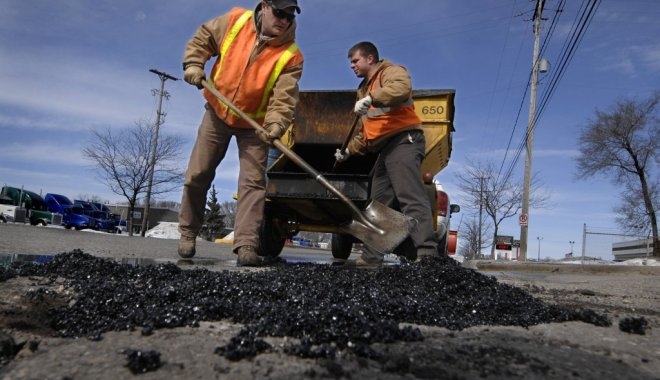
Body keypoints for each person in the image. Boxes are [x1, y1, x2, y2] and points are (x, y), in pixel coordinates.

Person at [177, 0, 304, 266]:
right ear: (265, 6)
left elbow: (283, 99)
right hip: (217, 112)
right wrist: (193, 63)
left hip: (254, 127)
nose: (284, 20)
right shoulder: (235, 20)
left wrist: (276, 125)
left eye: (289, 16)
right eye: (279, 13)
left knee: (253, 184)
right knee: (197, 174)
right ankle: (188, 232)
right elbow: (204, 38)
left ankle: (246, 244)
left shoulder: (291, 55)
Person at [335, 41, 437, 266]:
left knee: (410, 196)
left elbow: (400, 89)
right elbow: (367, 132)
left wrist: (372, 98)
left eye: (355, 61)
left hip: (404, 141)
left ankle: (427, 255)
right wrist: (348, 152)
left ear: (370, 58)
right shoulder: (363, 89)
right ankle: (371, 258)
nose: (352, 66)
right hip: (386, 147)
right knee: (379, 204)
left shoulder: (390, 72)